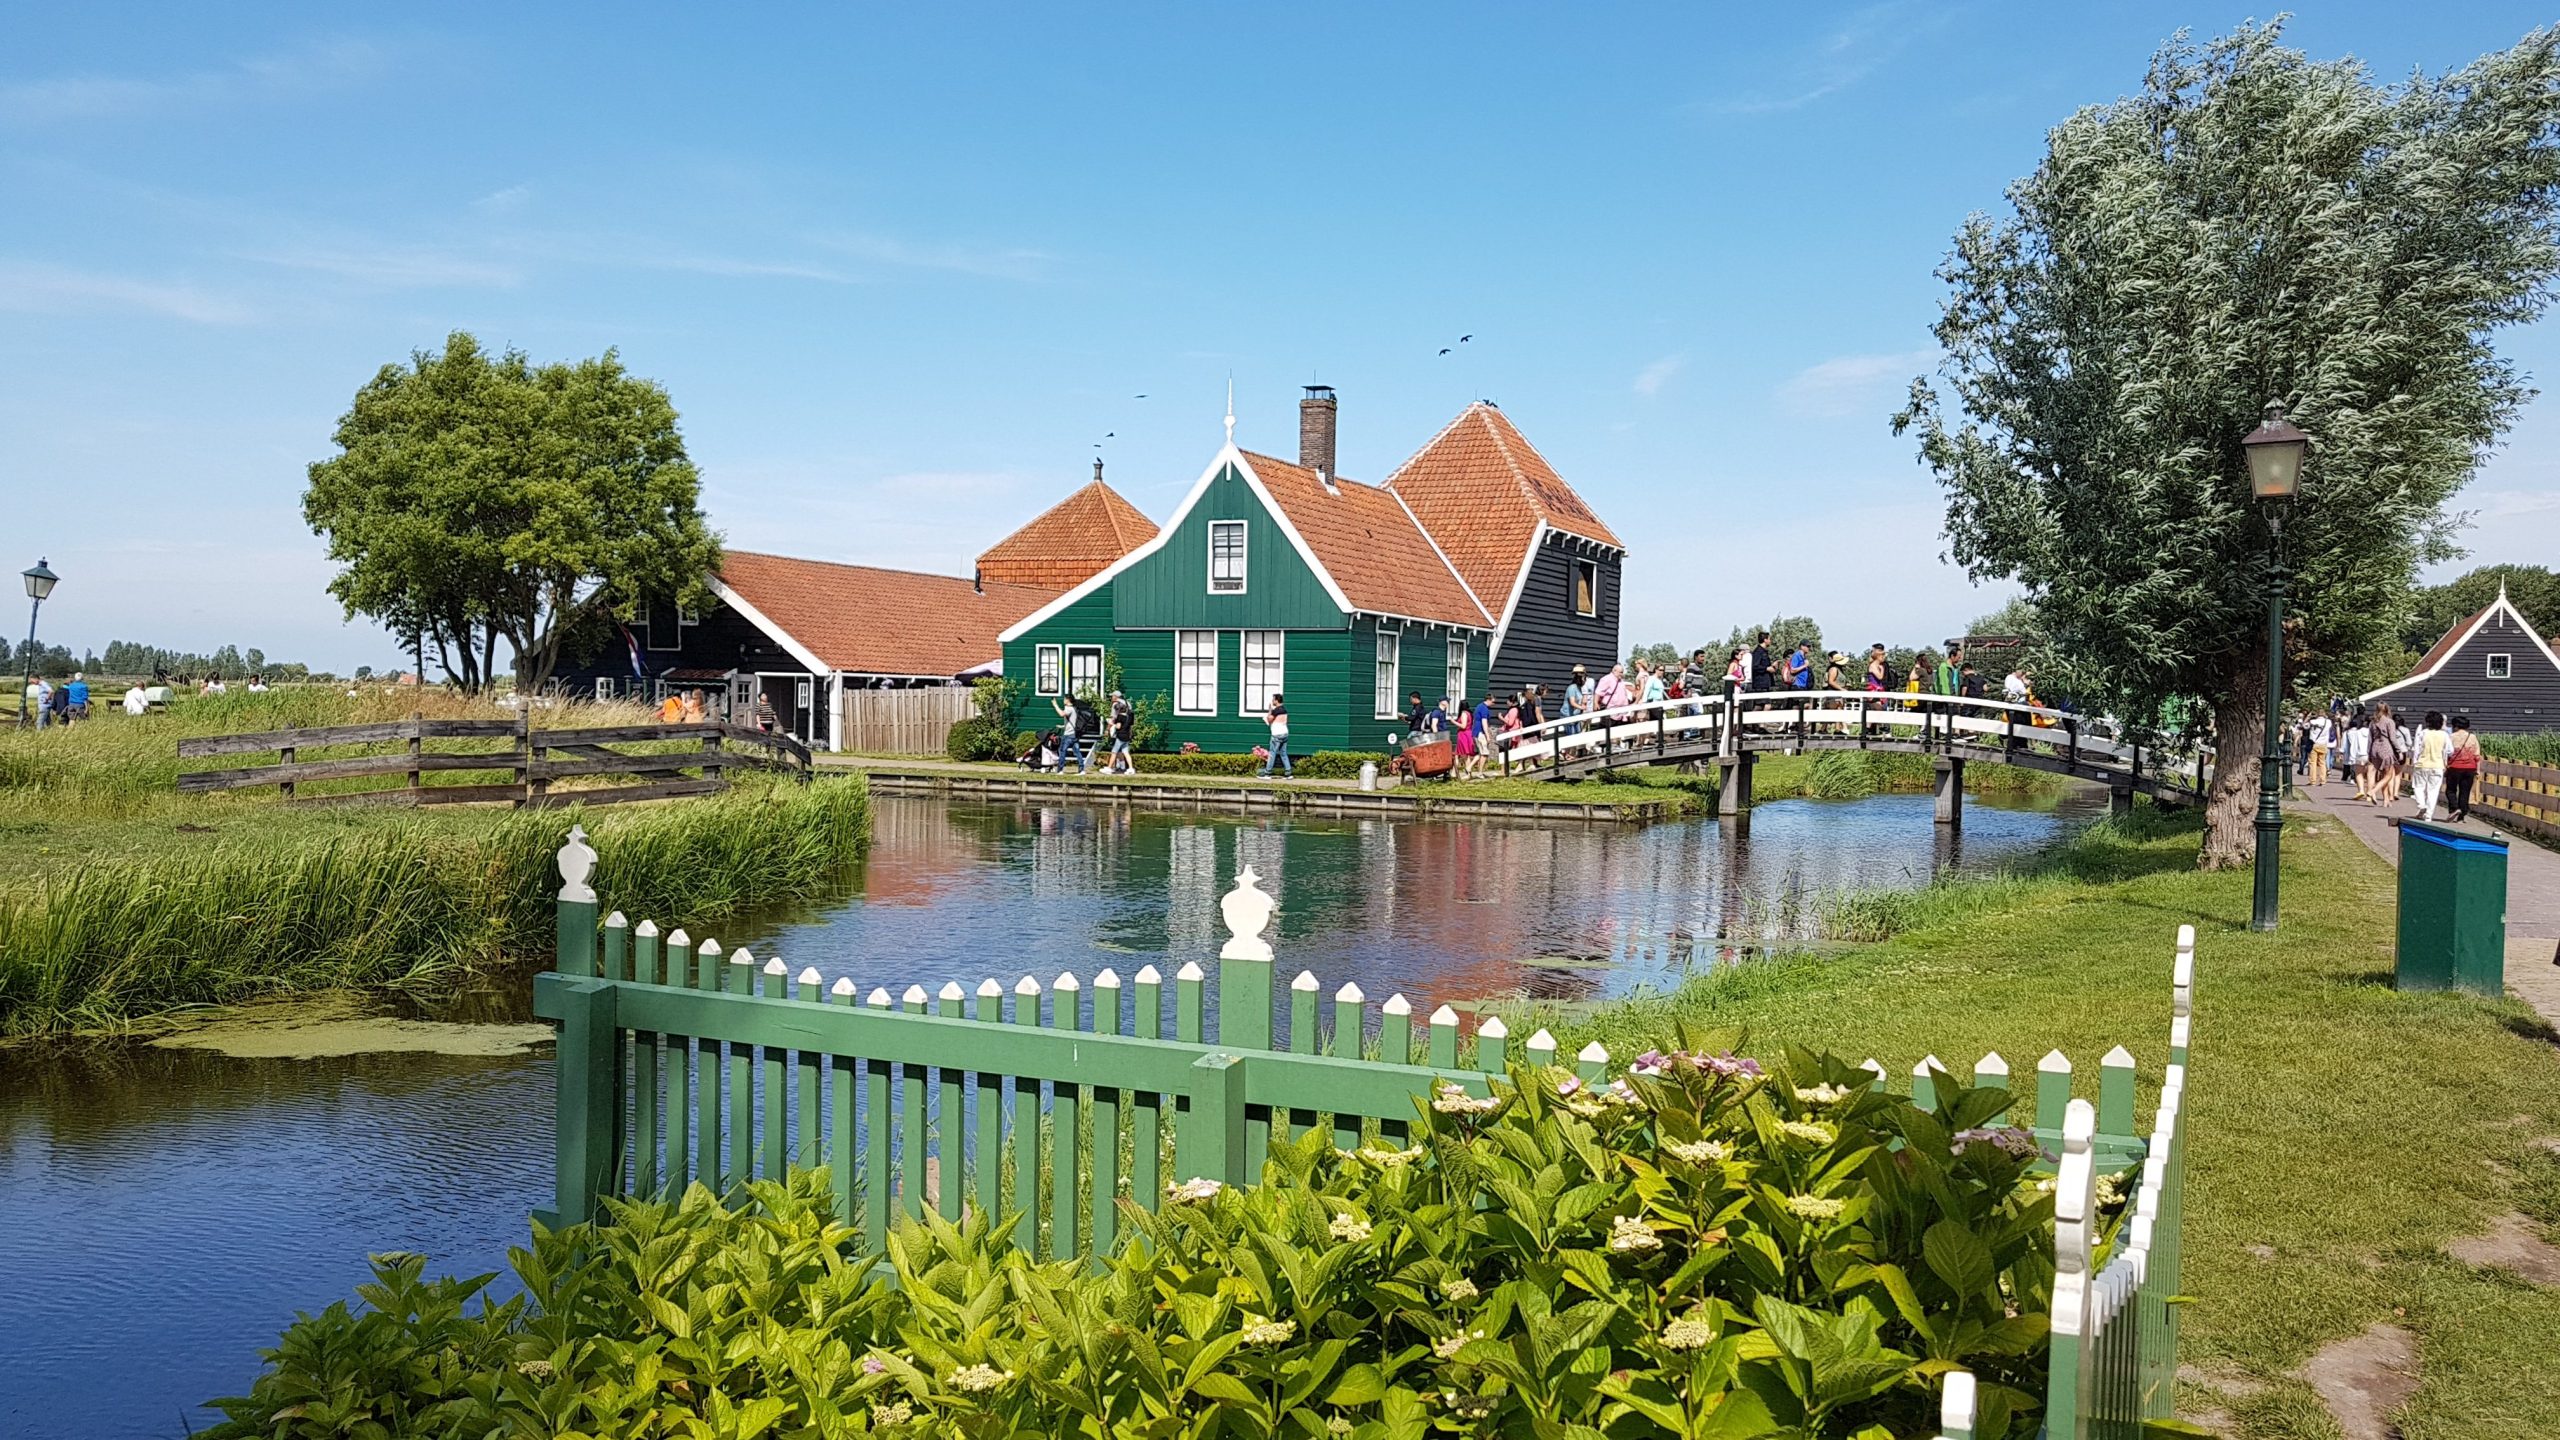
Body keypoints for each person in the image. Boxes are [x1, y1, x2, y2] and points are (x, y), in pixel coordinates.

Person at [2410, 711, 2450, 820]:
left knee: (2418, 787)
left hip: (2422, 763)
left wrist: (2415, 762)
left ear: (2427, 722)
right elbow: (2450, 750)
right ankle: (2428, 816)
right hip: (2438, 765)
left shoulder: (2423, 733)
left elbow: (2416, 749)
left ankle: (2421, 805)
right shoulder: (2444, 735)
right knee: (2433, 791)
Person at [2445, 716, 2480, 821]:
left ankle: (2454, 809)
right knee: (2465, 791)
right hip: (2470, 768)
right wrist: (2478, 770)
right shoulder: (2472, 737)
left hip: (2455, 767)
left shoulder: (2451, 737)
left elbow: (2447, 753)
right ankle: (2461, 816)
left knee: (2450, 790)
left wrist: (2445, 766)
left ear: (2455, 726)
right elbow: (2477, 755)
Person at [2364, 705, 2399, 807]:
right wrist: (2398, 750)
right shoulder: (2389, 722)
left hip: (2375, 748)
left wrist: (2369, 753)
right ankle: (2373, 790)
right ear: (2387, 710)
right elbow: (2392, 738)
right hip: (2385, 747)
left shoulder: (2372, 722)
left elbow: (2370, 739)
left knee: (2383, 774)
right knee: (2389, 775)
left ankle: (2386, 800)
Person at [1259, 692, 1292, 778]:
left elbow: (1269, 720)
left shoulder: (1276, 710)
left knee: (1272, 753)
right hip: (1285, 733)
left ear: (1276, 700)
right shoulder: (1284, 710)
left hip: (1277, 734)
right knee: (1283, 753)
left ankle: (1267, 772)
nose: (1272, 701)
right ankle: (1288, 772)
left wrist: (1270, 710)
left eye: (1273, 699)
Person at [1052, 692, 1086, 773]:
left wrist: (1055, 705)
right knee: (1077, 751)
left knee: (1062, 750)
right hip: (1074, 734)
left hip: (1068, 735)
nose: (1063, 700)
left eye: (1064, 699)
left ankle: (1060, 770)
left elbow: (1061, 714)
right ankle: (1081, 770)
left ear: (1068, 700)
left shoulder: (1069, 708)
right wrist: (1063, 726)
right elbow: (1072, 721)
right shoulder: (1074, 708)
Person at [2343, 709, 2372, 801]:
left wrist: (2352, 758)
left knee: (2359, 773)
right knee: (2370, 775)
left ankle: (2361, 791)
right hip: (2370, 755)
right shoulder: (2372, 733)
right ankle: (2369, 794)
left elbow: (2354, 746)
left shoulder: (2357, 733)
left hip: (2360, 755)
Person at [1107, 689, 1135, 774]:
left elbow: (1113, 717)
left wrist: (1108, 727)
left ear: (1116, 697)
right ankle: (1123, 767)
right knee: (1124, 750)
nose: (1111, 697)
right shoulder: (1128, 704)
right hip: (1127, 729)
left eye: (1112, 696)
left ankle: (1114, 767)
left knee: (1115, 750)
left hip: (1119, 730)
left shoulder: (1116, 704)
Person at [2305, 710, 2331, 787]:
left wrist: (2308, 717)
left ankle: (2313, 781)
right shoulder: (2328, 722)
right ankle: (2323, 780)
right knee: (2322, 763)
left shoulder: (2313, 722)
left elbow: (2304, 726)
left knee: (2312, 763)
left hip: (2314, 744)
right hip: (2323, 744)